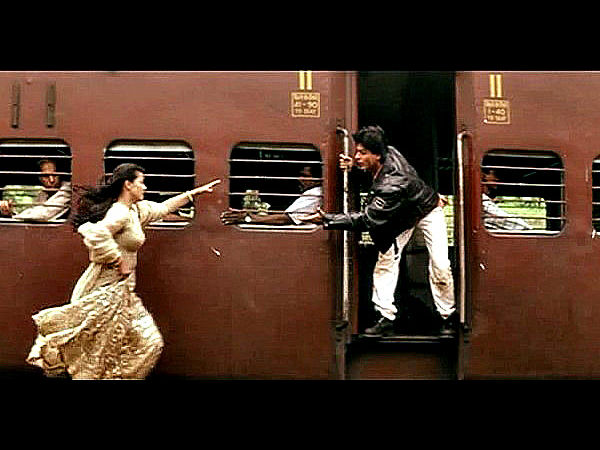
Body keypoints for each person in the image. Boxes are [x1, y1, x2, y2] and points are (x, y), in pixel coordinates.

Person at [26, 163, 220, 379]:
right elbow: (95, 234)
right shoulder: (119, 212)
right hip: (103, 290)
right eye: (141, 182)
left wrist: (193, 194)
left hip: (123, 292)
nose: (145, 187)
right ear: (128, 185)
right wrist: (117, 259)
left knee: (147, 344)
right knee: (102, 354)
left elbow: (163, 208)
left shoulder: (136, 211)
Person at [305, 126, 456, 336]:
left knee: (440, 265)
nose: (357, 156)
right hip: (402, 216)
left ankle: (447, 317)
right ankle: (386, 316)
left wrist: (327, 219)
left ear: (377, 155)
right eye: (357, 152)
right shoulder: (388, 152)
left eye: (362, 153)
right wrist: (355, 166)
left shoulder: (391, 184)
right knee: (386, 262)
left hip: (426, 210)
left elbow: (368, 219)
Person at [220, 165, 322, 225]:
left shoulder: (315, 193)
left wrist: (249, 218)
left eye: (305, 176)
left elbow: (287, 219)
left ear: (317, 180)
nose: (300, 179)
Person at [0, 159, 71, 221]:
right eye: (46, 176)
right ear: (40, 178)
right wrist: (10, 213)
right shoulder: (43, 194)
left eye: (55, 175)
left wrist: (14, 218)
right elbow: (35, 211)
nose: (52, 180)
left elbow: (44, 214)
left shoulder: (68, 189)